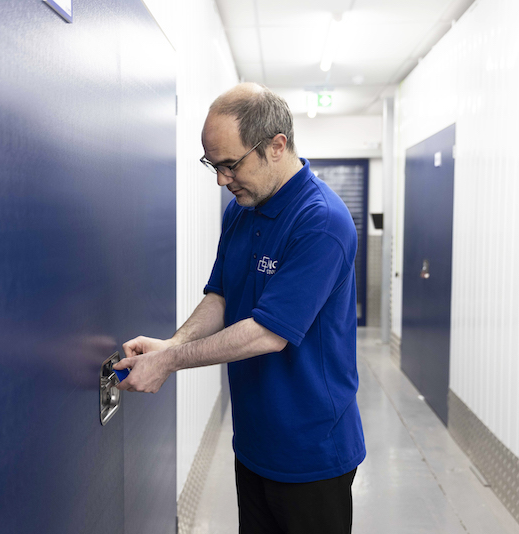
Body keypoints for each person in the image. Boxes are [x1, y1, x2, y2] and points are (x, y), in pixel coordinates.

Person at [114, 82, 365, 533]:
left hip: (312, 452)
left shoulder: (321, 222)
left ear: (276, 146)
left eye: (230, 165)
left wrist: (169, 361)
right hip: (254, 443)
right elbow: (222, 297)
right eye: (213, 165)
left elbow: (268, 333)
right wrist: (170, 344)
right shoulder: (242, 210)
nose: (221, 180)